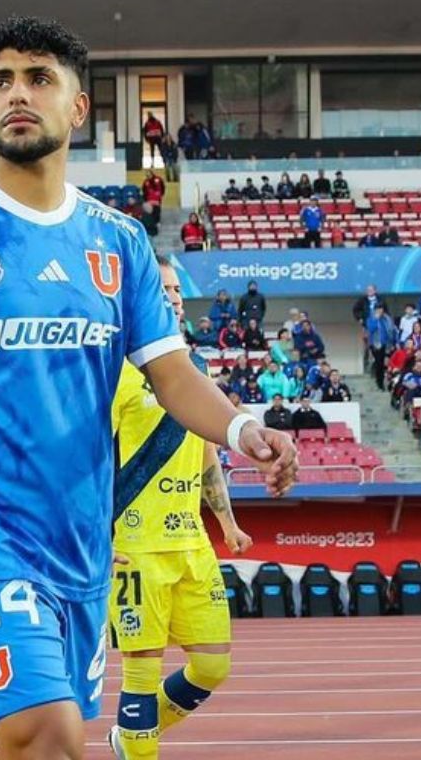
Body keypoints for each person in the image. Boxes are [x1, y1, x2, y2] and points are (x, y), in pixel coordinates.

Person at [0, 16, 297, 760]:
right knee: (51, 740)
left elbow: (171, 375)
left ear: (78, 107)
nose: (17, 94)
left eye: (39, 78)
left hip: (82, 547)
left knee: (16, 746)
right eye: (0, 82)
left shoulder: (119, 240)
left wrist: (239, 429)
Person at [107, 256, 252, 759]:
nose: (171, 297)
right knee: (141, 670)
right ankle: (138, 747)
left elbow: (208, 446)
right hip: (135, 545)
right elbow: (92, 457)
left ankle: (129, 739)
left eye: (176, 290)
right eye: (162, 288)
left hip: (192, 541)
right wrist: (95, 533)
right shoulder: (116, 369)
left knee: (213, 666)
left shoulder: (197, 368)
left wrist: (227, 522)